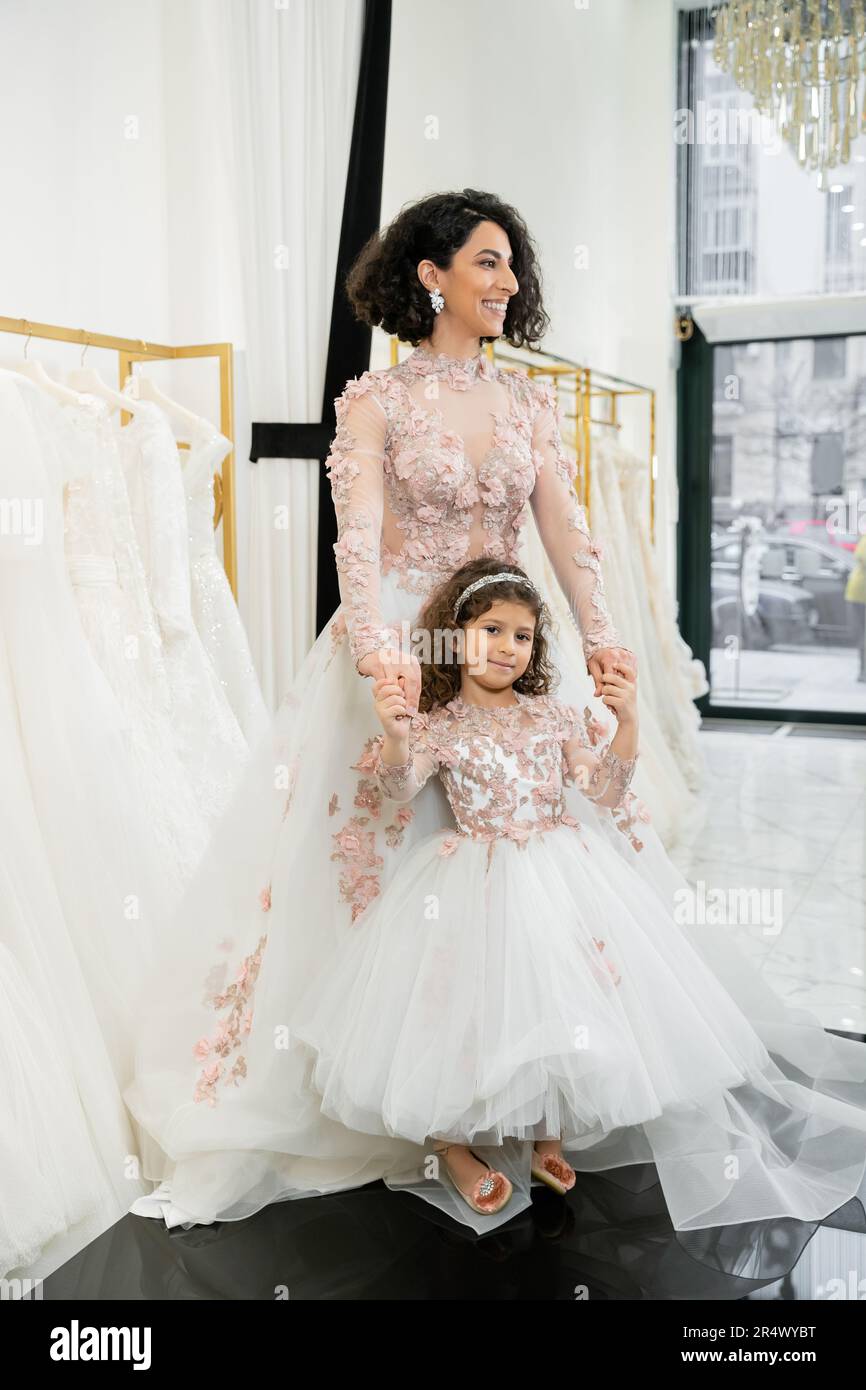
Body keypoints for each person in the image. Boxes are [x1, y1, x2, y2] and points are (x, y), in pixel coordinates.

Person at [129, 560, 866, 1241]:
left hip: (558, 866)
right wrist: (392, 732)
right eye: (491, 631)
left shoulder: (551, 715)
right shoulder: (440, 725)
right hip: (468, 878)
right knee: (463, 1013)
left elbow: (604, 791)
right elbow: (393, 792)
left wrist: (630, 723)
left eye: (523, 635)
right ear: (456, 637)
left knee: (563, 1000)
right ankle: (453, 1147)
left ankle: (547, 1136)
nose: (509, 647)